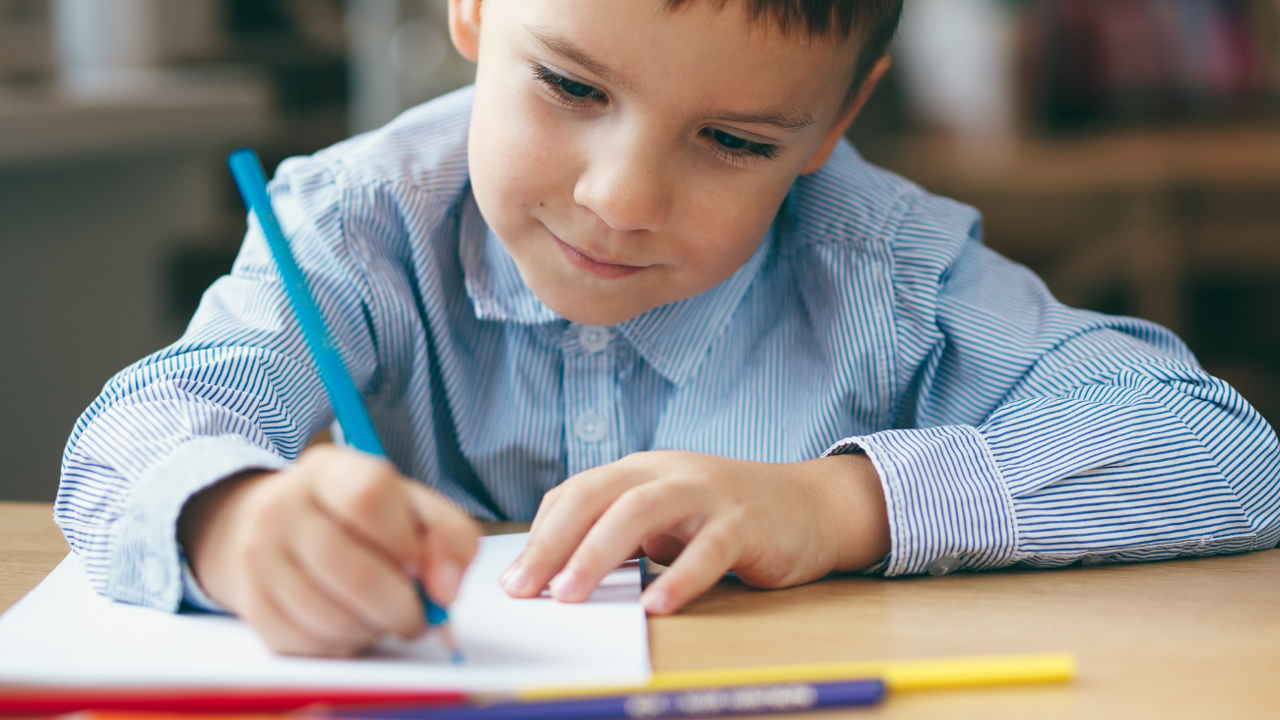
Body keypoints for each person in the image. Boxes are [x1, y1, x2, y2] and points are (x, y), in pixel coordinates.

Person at [56, 0, 1280, 658]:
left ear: (832, 118)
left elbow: (1220, 451)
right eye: (570, 87)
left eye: (737, 141)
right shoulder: (351, 229)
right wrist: (232, 521)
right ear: (473, 7)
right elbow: (139, 431)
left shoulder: (881, 268)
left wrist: (834, 506)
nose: (620, 199)